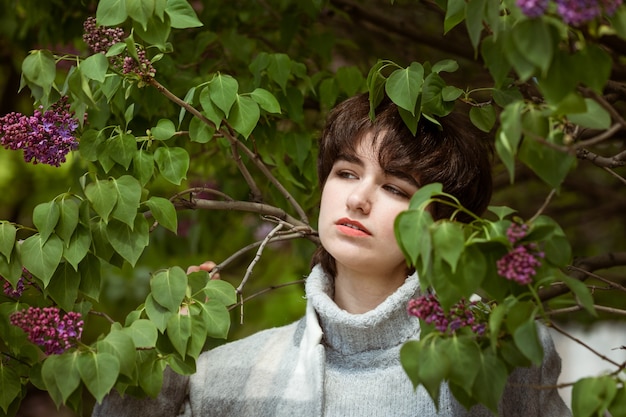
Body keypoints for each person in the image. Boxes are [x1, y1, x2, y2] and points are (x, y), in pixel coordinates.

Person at [93, 93, 571, 416]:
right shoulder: (230, 379)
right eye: (346, 172)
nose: (358, 199)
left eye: (395, 187)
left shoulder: (501, 353)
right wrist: (158, 351)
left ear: (442, 225)